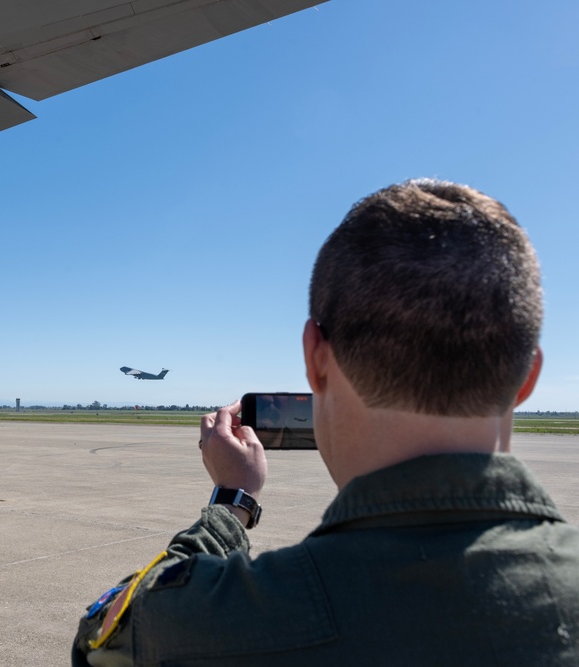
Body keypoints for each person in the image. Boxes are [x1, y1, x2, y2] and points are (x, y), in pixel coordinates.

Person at [72, 179, 579, 666]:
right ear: (526, 377)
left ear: (314, 357)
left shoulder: (208, 618)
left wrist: (234, 501)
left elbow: (99, 641)